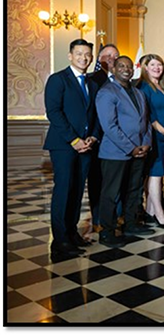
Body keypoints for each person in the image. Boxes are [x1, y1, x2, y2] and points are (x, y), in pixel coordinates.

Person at [43, 38, 99, 256]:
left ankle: (71, 232)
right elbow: (54, 112)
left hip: (86, 145)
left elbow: (92, 115)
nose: (84, 58)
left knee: (77, 191)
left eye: (87, 54)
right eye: (79, 54)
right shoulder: (58, 79)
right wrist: (74, 140)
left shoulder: (91, 84)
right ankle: (60, 240)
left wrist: (92, 137)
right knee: (64, 190)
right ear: (70, 55)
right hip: (64, 145)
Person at [96, 56, 154, 247]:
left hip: (139, 151)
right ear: (113, 68)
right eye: (121, 66)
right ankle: (107, 231)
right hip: (115, 153)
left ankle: (130, 224)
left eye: (129, 67)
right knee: (111, 193)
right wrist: (131, 147)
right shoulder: (107, 92)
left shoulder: (138, 93)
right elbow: (109, 126)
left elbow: (145, 121)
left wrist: (146, 143)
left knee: (134, 190)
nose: (126, 69)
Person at [137, 54, 164, 229]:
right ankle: (160, 215)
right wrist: (162, 129)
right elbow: (148, 113)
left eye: (160, 65)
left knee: (158, 174)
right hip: (154, 135)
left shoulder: (162, 87)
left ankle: (150, 212)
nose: (157, 68)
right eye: (153, 65)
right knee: (155, 174)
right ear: (145, 67)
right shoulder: (144, 87)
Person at [87, 43, 120, 231]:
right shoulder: (92, 79)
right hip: (97, 138)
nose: (112, 58)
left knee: (116, 180)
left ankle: (117, 215)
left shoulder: (124, 79)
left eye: (115, 55)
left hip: (119, 140)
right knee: (97, 180)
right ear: (99, 59)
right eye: (107, 55)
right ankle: (98, 219)